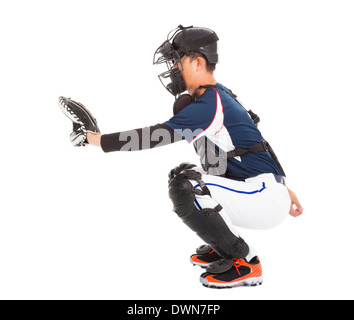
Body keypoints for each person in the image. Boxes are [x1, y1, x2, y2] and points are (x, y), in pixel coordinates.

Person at [62, 25, 303, 289]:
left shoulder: (210, 103)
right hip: (262, 192)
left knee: (185, 186)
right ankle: (223, 244)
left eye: (177, 61)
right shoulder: (218, 95)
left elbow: (153, 136)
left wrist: (94, 139)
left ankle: (244, 261)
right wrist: (284, 187)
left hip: (262, 196)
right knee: (197, 175)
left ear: (198, 61)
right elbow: (256, 142)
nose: (173, 68)